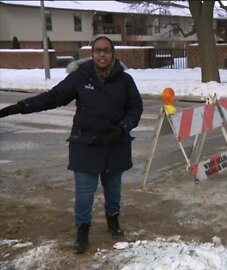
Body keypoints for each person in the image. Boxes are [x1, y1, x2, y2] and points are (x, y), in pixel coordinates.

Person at [0, 36, 143, 253]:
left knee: (113, 190)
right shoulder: (80, 77)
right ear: (92, 54)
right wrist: (20, 107)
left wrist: (123, 128)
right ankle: (82, 232)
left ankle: (113, 222)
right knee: (84, 194)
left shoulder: (125, 80)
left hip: (115, 144)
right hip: (85, 144)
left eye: (106, 50)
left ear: (113, 54)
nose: (102, 54)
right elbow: (53, 97)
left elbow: (136, 109)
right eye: (98, 51)